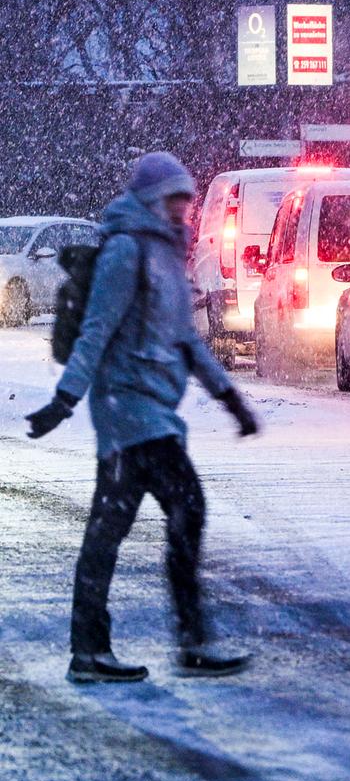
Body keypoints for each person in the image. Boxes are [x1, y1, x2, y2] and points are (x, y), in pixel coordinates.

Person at [25, 152, 261, 684]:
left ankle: (94, 650)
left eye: (186, 198)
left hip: (152, 410)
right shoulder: (126, 250)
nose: (182, 207)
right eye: (172, 198)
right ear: (151, 199)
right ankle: (188, 642)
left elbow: (186, 340)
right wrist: (65, 400)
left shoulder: (168, 255)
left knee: (111, 528)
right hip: (125, 409)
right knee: (184, 506)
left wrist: (230, 399)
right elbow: (96, 331)